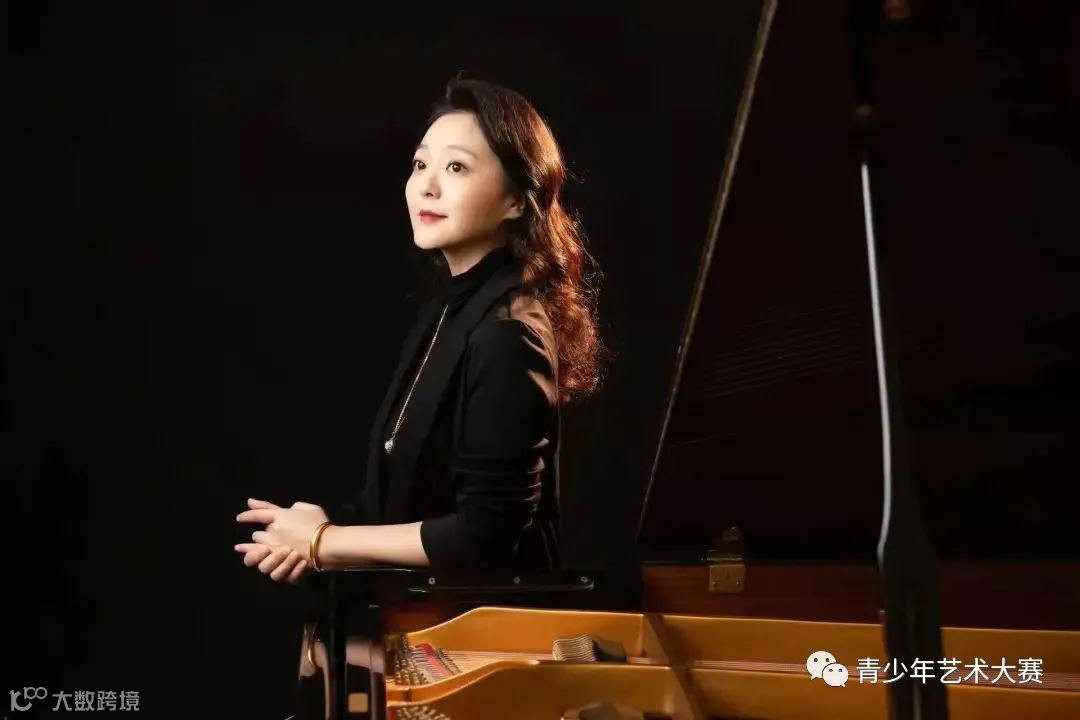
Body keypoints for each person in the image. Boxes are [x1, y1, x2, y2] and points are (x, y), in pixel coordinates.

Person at [234, 76, 602, 584]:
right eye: (420, 165)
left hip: (484, 622)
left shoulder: (509, 332)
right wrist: (306, 533)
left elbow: (485, 536)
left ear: (517, 200)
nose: (428, 186)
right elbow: (403, 503)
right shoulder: (448, 311)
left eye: (456, 167)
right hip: (419, 611)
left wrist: (325, 542)